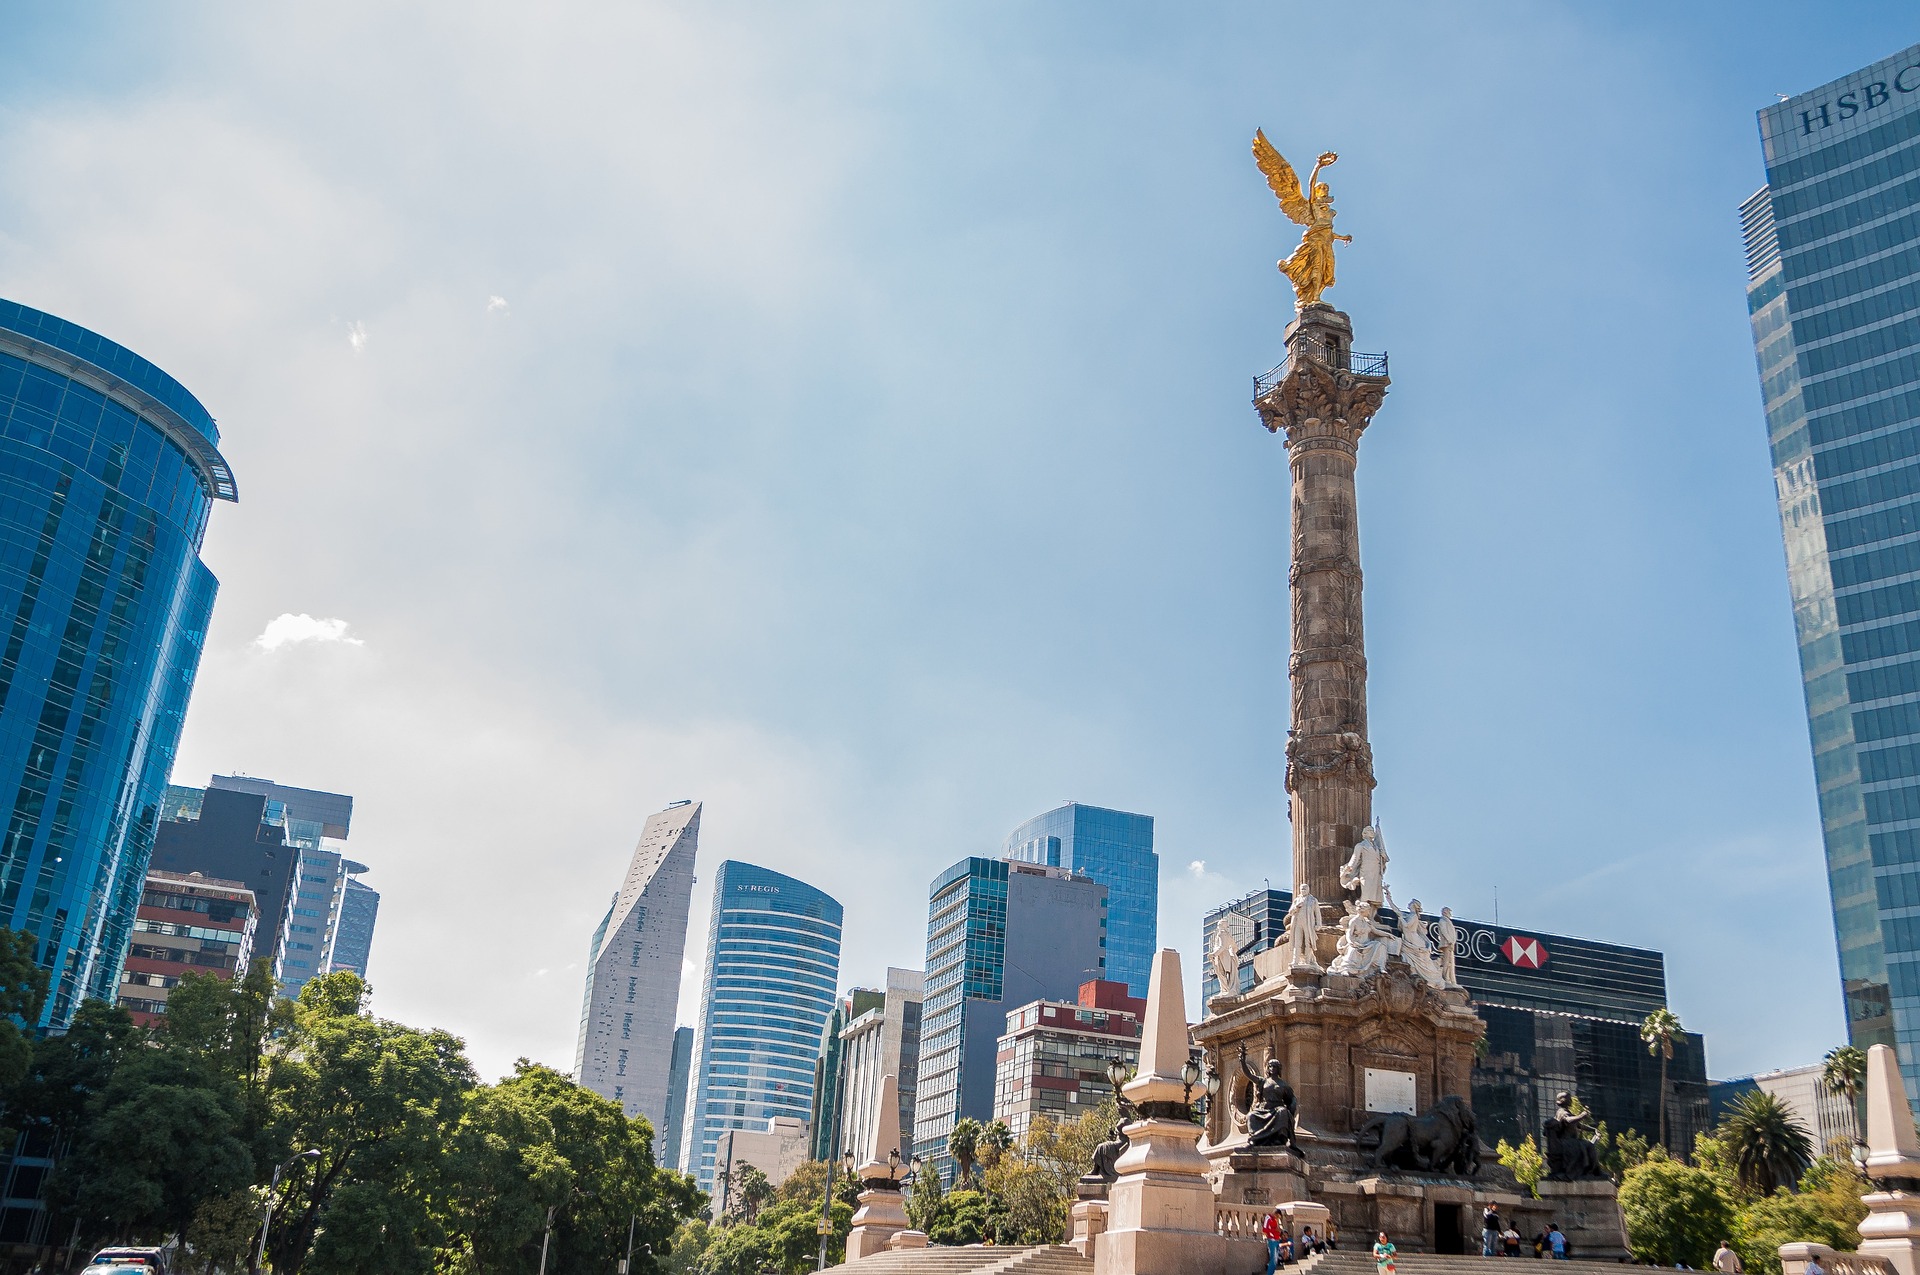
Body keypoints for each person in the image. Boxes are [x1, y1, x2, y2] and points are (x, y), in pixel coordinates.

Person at [1262, 1207, 1286, 1275]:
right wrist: (1274, 1231)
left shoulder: (1275, 1220)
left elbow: (1276, 1228)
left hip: (1276, 1240)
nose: (1277, 1218)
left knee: (1275, 1259)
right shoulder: (1268, 1218)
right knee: (1273, 1258)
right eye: (1277, 1216)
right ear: (1275, 1214)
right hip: (1272, 1240)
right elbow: (1265, 1230)